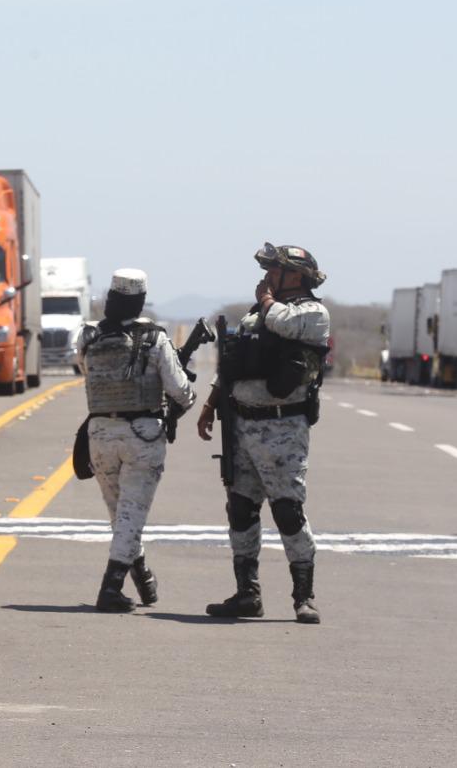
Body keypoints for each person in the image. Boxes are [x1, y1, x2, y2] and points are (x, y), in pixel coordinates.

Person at [197, 243, 330, 623]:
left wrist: (268, 302)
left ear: (296, 277)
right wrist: (211, 405)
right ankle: (246, 594)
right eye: (269, 271)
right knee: (240, 510)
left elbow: (286, 325)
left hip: (283, 427)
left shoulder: (313, 313)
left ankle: (303, 597)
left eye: (277, 271)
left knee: (288, 511)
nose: (268, 276)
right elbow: (232, 365)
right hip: (242, 425)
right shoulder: (258, 315)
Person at [75, 268, 196, 613]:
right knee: (131, 514)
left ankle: (142, 578)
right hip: (141, 435)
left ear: (109, 298)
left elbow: (87, 372)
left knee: (121, 516)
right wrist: (184, 397)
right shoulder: (155, 338)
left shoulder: (87, 336)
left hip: (99, 434)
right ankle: (110, 589)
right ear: (141, 301)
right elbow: (180, 392)